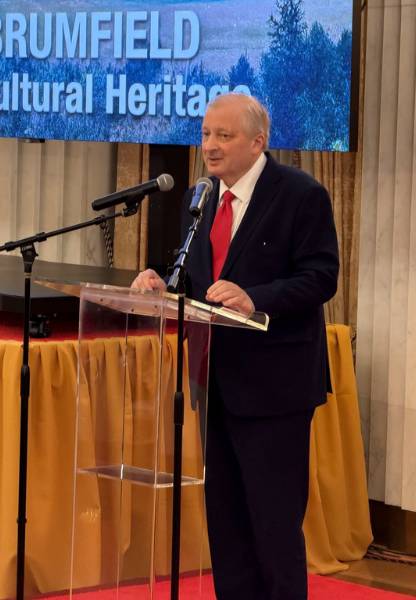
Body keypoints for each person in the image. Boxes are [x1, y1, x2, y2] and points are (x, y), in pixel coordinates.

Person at [131, 93, 339, 600]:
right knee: (226, 531)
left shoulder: (300, 195)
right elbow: (198, 281)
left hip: (275, 394)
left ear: (257, 141)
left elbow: (321, 277)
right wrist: (164, 286)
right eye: (205, 135)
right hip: (214, 386)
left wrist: (255, 299)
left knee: (272, 530)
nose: (210, 146)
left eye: (223, 136)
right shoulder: (199, 198)